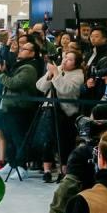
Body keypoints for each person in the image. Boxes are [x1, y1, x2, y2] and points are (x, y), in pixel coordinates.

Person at [0, 40, 40, 177]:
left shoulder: (29, 68)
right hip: (10, 107)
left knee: (19, 138)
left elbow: (14, 84)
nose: (21, 50)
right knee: (9, 137)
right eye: (21, 48)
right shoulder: (19, 66)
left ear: (33, 53)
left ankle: (21, 167)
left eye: (25, 49)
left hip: (19, 108)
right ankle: (11, 163)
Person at [36, 51, 84, 183]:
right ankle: (47, 170)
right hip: (49, 109)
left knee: (64, 142)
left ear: (76, 63)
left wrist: (56, 75)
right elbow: (40, 86)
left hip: (66, 113)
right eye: (65, 58)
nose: (65, 61)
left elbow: (66, 90)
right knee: (47, 140)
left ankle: (63, 171)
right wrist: (49, 75)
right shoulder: (56, 69)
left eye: (69, 59)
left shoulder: (78, 75)